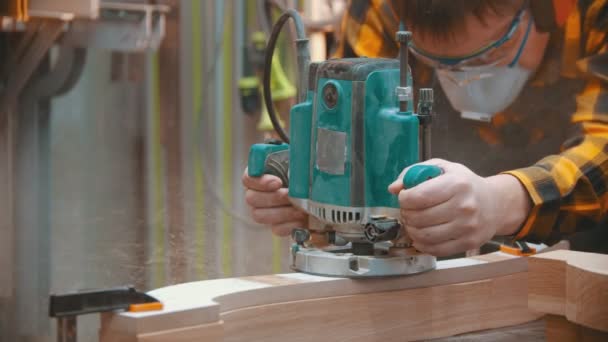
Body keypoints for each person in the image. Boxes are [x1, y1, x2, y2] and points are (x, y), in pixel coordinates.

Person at [242, 0, 608, 256]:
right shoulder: (379, 8)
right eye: (437, 64)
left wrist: (501, 202)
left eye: (486, 58)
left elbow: (603, 147)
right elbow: (356, 127)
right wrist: (315, 190)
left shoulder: (595, 11)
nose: (463, 80)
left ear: (549, 8)